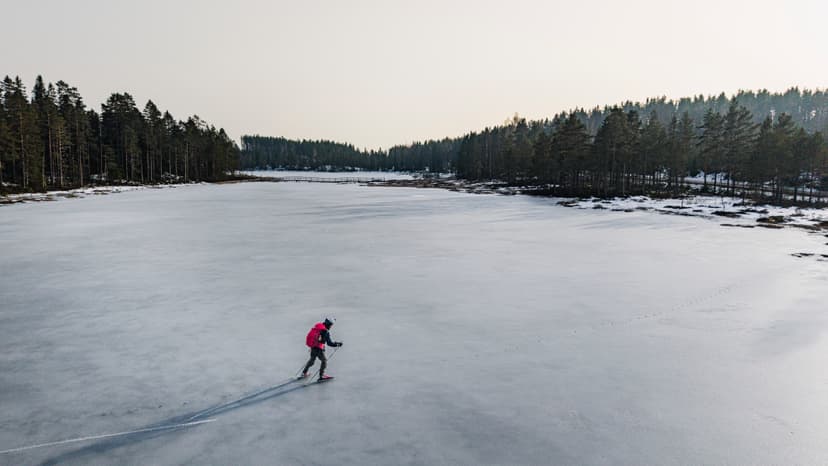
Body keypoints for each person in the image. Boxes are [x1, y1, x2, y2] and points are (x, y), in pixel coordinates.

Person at [301, 317, 342, 381]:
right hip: (319, 348)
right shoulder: (325, 331)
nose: (331, 326)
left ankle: (304, 372)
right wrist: (337, 344)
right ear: (329, 324)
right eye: (331, 325)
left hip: (313, 346)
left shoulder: (318, 327)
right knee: (324, 361)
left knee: (312, 360)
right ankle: (321, 376)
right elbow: (329, 343)